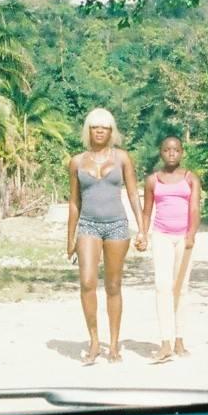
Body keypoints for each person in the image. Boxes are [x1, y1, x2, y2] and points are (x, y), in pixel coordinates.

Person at [66, 108, 143, 365]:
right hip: (88, 226)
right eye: (95, 127)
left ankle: (114, 344)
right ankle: (94, 341)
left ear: (112, 131)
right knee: (87, 282)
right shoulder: (77, 162)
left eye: (105, 127)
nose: (100, 131)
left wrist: (142, 229)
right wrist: (70, 238)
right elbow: (74, 202)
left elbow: (133, 194)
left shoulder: (122, 158)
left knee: (113, 286)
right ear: (88, 130)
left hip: (117, 226)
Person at [138, 135, 202, 364]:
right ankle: (165, 341)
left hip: (183, 238)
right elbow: (147, 211)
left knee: (181, 288)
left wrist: (191, 235)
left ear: (182, 152)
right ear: (161, 152)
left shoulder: (191, 178)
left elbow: (194, 209)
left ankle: (179, 340)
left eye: (176, 150)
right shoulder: (153, 180)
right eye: (167, 150)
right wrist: (142, 234)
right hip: (162, 236)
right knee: (162, 286)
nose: (171, 153)